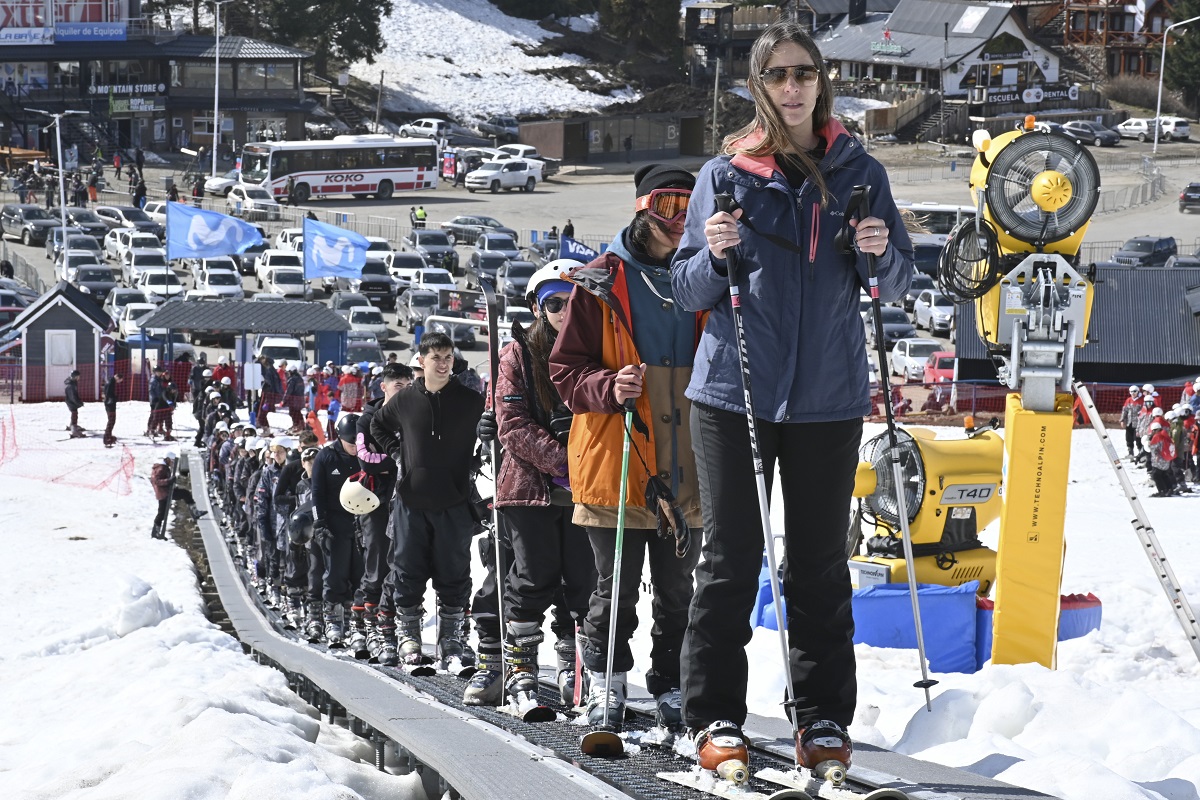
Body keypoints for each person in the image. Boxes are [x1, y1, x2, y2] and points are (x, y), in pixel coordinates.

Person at [670, 20, 915, 772]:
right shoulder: (726, 173)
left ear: (821, 79)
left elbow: (900, 278)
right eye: (777, 74)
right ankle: (713, 718)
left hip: (828, 398)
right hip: (733, 391)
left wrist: (880, 254)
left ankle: (823, 721)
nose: (793, 85)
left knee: (817, 565)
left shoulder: (860, 170)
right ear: (758, 84)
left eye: (803, 72)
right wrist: (713, 256)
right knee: (731, 559)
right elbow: (686, 288)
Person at [549, 164, 705, 731]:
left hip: (685, 460)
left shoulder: (704, 276)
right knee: (613, 589)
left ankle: (667, 685)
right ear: (642, 209)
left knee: (677, 590)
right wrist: (607, 387)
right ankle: (605, 686)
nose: (678, 220)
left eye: (689, 206)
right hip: (618, 456)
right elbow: (565, 371)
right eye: (666, 206)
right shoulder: (598, 281)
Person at [466, 261, 598, 709]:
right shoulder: (518, 354)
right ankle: (518, 666)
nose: (566, 311)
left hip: (586, 490)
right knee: (532, 576)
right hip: (530, 487)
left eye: (575, 302)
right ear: (540, 309)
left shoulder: (598, 350)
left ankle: (572, 663)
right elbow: (513, 424)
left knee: (582, 583)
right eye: (555, 303)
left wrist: (585, 467)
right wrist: (566, 461)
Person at [371, 332, 484, 670]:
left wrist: (478, 456)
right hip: (411, 500)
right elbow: (378, 426)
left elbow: (496, 432)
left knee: (454, 571)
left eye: (448, 356)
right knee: (407, 569)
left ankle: (451, 638)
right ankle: (409, 636)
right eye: (436, 356)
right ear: (421, 360)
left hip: (453, 499)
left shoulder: (470, 400)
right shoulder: (405, 399)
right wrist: (397, 453)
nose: (443, 362)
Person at [353, 361, 413, 664]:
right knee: (376, 560)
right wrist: (401, 458)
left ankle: (395, 625)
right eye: (398, 385)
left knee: (402, 561)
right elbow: (366, 459)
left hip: (406, 497)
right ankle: (367, 623)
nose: (403, 390)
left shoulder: (414, 413)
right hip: (374, 499)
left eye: (408, 384)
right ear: (384, 386)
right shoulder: (367, 419)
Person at [312, 416, 366, 645]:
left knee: (361, 574)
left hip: (362, 521)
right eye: (351, 444)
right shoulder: (326, 457)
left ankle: (358, 621)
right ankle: (333, 619)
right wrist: (320, 523)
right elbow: (317, 493)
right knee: (335, 573)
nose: (355, 449)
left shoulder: (365, 456)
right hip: (335, 522)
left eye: (358, 444)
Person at [150, 451, 206, 539]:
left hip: (165, 491)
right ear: (167, 459)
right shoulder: (161, 469)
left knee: (163, 512)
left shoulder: (163, 467)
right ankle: (194, 512)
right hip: (165, 492)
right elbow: (157, 481)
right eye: (171, 461)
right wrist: (168, 481)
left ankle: (155, 532)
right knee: (184, 495)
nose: (172, 463)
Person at [1121, 385, 1143, 459]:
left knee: (1138, 439)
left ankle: (1140, 453)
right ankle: (1130, 452)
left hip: (1138, 423)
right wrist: (1122, 420)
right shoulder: (1129, 400)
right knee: (1128, 438)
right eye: (1131, 392)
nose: (1133, 393)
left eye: (1134, 391)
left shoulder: (1142, 400)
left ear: (1138, 391)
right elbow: (1125, 410)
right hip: (1129, 422)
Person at [65, 369, 85, 438]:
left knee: (74, 414)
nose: (79, 378)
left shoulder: (73, 383)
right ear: (75, 377)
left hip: (71, 401)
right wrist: (79, 403)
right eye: (78, 376)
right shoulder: (71, 385)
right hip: (71, 402)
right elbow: (73, 397)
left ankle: (72, 426)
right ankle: (74, 431)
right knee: (74, 415)